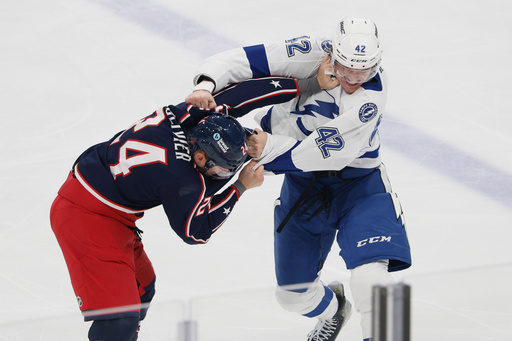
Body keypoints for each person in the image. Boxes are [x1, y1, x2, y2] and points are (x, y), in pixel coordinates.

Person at [186, 17, 412, 341]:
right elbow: (250, 61)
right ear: (333, 53)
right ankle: (334, 311)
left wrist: (267, 148)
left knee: (369, 277)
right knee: (291, 294)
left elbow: (323, 152)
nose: (352, 79)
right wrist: (205, 85)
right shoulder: (313, 51)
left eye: (363, 72)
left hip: (359, 186)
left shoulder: (370, 99)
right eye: (347, 68)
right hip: (304, 185)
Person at [49, 100, 268, 340]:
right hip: (87, 216)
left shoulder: (178, 117)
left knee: (142, 288)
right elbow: (196, 230)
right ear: (201, 156)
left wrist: (243, 139)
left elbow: (232, 97)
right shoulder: (182, 179)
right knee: (118, 319)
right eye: (223, 169)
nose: (222, 175)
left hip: (109, 210)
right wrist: (240, 186)